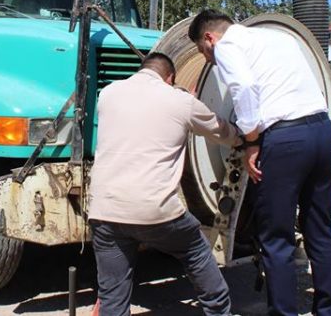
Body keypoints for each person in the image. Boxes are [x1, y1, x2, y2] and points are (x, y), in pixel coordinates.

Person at [189, 10, 331, 316]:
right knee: (320, 231)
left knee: (277, 238)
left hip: (285, 141)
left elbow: (244, 88)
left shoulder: (227, 46)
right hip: (323, 132)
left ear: (209, 38)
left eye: (204, 53)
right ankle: (327, 312)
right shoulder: (278, 37)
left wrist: (252, 141)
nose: (208, 60)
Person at [89, 52, 242, 316]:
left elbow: (144, 110)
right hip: (154, 210)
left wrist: (181, 97)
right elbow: (221, 131)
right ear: (170, 77)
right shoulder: (180, 101)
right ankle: (219, 311)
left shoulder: (108, 94)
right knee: (196, 250)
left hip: (104, 209)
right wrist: (245, 140)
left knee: (113, 296)